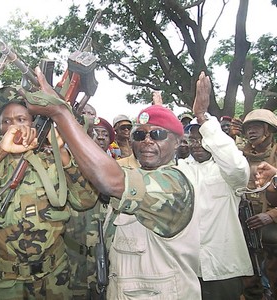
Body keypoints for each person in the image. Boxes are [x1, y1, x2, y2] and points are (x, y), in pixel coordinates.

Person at [25, 66, 201, 299]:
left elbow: (110, 180)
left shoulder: (175, 183)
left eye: (157, 134)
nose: (147, 141)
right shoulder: (133, 172)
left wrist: (60, 113)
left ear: (178, 142)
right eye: (140, 135)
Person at [0, 96, 98, 300]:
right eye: (7, 121)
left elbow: (86, 200)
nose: (15, 127)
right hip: (6, 278)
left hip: (55, 274)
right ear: (0, 128)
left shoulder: (53, 160)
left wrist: (62, 152)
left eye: (21, 119)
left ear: (35, 123)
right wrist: (0, 151)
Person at [177, 72, 253, 300]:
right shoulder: (180, 169)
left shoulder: (227, 170)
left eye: (203, 137)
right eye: (193, 138)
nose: (198, 143)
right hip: (186, 266)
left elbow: (238, 168)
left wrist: (202, 117)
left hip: (223, 266)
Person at [65, 116, 114, 299]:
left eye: (105, 134)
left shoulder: (119, 171)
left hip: (105, 259)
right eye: (95, 132)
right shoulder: (68, 165)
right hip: (72, 257)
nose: (100, 137)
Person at [240, 108, 277, 300]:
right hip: (246, 225)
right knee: (249, 276)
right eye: (248, 128)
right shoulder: (239, 157)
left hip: (272, 228)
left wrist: (270, 216)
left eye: (256, 127)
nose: (251, 132)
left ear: (268, 130)